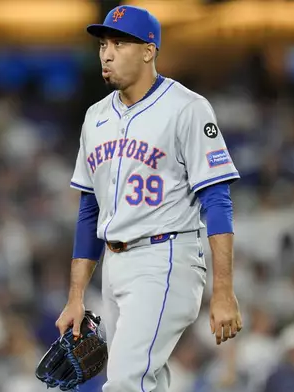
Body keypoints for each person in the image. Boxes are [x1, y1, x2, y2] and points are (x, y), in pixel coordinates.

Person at [55, 5, 243, 392]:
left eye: (119, 43)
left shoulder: (186, 108)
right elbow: (89, 211)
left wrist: (223, 291)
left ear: (148, 50)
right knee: (149, 381)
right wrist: (76, 297)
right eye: (103, 44)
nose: (107, 53)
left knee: (125, 381)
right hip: (114, 265)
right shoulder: (95, 117)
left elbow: (217, 199)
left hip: (166, 258)